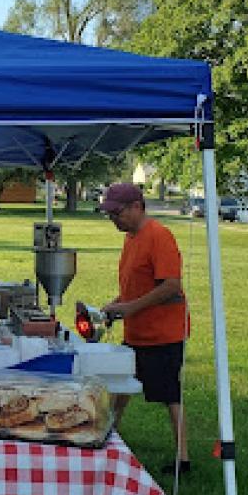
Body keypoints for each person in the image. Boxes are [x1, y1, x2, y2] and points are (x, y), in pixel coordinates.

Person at [99, 182, 191, 475]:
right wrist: (116, 305)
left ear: (137, 207)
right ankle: (109, 436)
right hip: (136, 330)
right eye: (110, 214)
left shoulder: (159, 236)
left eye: (117, 213)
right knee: (119, 384)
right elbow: (134, 286)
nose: (113, 219)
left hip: (163, 333)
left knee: (169, 394)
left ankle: (183, 459)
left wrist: (130, 308)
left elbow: (171, 286)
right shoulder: (131, 237)